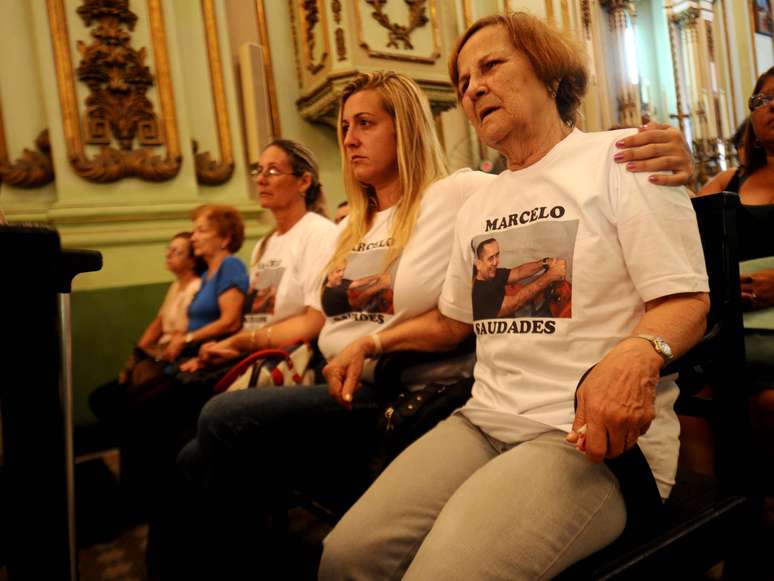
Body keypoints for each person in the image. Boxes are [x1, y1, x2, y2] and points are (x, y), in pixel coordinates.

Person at [158, 74, 696, 579]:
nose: (349, 139)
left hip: (420, 390)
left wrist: (670, 149)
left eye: (365, 123)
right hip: (456, 405)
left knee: (223, 418)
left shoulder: (462, 191)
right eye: (463, 79)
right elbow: (447, 314)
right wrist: (348, 341)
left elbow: (679, 289)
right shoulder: (367, 221)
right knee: (334, 552)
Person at [319, 12, 709, 580]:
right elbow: (453, 321)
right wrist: (370, 343)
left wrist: (636, 353)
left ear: (551, 75)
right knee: (346, 556)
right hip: (482, 421)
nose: (473, 86)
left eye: (492, 65)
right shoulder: (478, 200)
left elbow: (686, 300)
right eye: (462, 81)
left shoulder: (622, 157)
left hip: (587, 440)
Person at [699, 67, 774, 484]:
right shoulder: (728, 181)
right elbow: (679, 242)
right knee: (689, 399)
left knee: (767, 404)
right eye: (761, 100)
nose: (771, 106)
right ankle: (726, 520)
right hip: (732, 335)